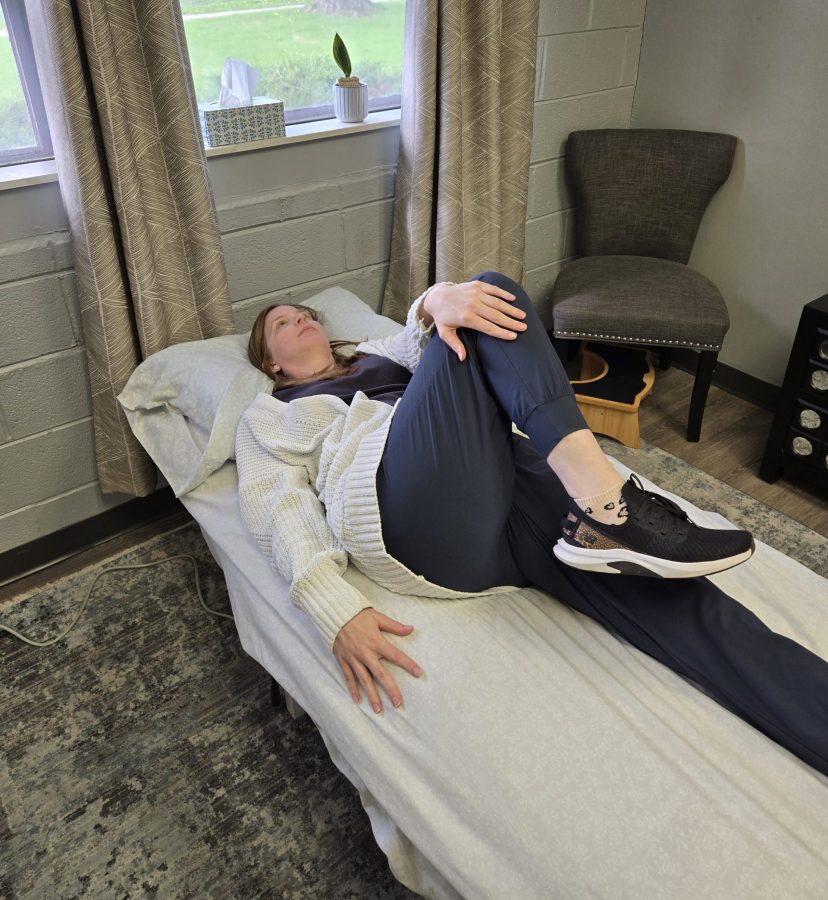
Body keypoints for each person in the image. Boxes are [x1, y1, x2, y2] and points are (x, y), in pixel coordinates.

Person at [237, 272, 828, 776]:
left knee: (684, 601)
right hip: (415, 512)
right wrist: (333, 608)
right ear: (270, 361)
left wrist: (434, 299)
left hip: (504, 481)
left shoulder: (377, 353)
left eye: (305, 313)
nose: (301, 319)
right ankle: (606, 500)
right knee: (489, 293)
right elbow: (276, 507)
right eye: (283, 323)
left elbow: (424, 333)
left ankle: (812, 711)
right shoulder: (269, 415)